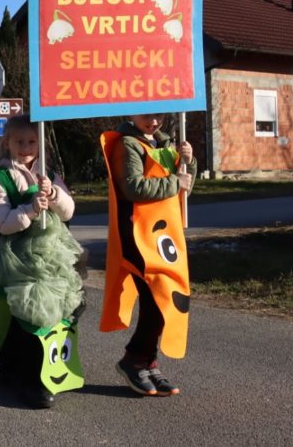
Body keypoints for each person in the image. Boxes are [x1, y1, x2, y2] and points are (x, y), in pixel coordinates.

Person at [0, 114, 83, 410]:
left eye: (31, 141)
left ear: (40, 142)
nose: (26, 147)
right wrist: (30, 209)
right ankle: (32, 379)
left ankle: (12, 369)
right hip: (13, 258)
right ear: (7, 143)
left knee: (52, 309)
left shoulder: (48, 173)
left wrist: (55, 193)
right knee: (31, 311)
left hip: (48, 256)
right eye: (19, 141)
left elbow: (68, 211)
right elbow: (1, 220)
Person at [101, 113, 196, 397]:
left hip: (163, 236)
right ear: (133, 112)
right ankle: (135, 360)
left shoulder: (166, 144)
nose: (153, 121)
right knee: (158, 298)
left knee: (165, 299)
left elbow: (182, 191)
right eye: (147, 115)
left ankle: (147, 361)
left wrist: (188, 162)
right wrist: (175, 182)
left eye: (159, 116)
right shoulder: (128, 144)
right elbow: (133, 187)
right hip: (138, 235)